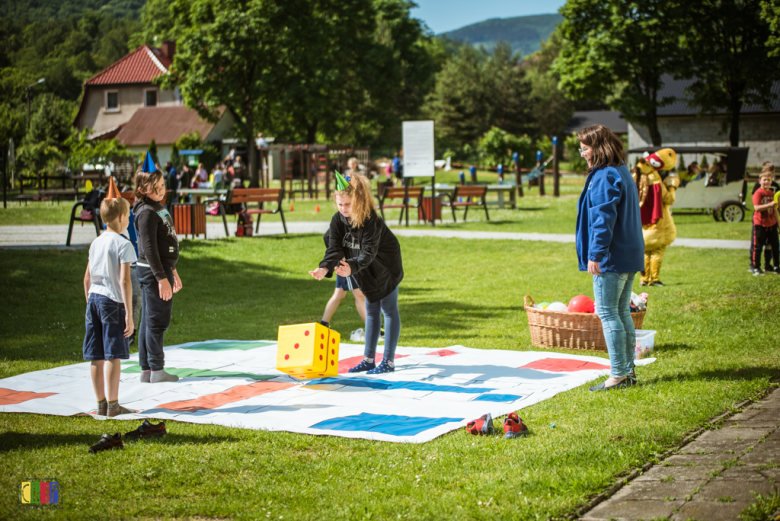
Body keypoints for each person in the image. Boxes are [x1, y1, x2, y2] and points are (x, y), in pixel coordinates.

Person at [309, 172, 403, 375]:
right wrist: (324, 267)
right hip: (363, 266)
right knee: (370, 309)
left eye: (347, 205)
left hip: (385, 265)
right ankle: (369, 359)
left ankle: (388, 361)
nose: (343, 209)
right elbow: (334, 248)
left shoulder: (371, 221)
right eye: (340, 204)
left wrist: (351, 266)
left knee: (388, 308)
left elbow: (369, 252)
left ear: (358, 201)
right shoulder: (338, 220)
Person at [574, 125, 644, 391]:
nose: (582, 154)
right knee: (621, 312)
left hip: (612, 257)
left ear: (598, 147)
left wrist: (596, 254)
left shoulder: (604, 176)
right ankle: (627, 371)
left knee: (607, 312)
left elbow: (603, 219)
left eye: (585, 149)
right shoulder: (621, 171)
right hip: (628, 255)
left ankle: (618, 375)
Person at [82, 197, 137, 417]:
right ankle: (113, 406)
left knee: (96, 355)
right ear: (122, 217)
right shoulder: (124, 244)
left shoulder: (96, 242)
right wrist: (129, 314)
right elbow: (125, 281)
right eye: (129, 215)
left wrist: (90, 304)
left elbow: (87, 279)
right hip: (113, 301)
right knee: (113, 354)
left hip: (93, 299)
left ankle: (101, 403)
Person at [133, 154, 183, 383]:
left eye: (162, 186)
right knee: (157, 320)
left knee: (148, 320)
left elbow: (164, 244)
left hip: (161, 270)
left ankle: (147, 370)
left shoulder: (156, 207)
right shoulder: (145, 213)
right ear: (142, 189)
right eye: (156, 188)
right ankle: (156, 369)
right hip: (154, 273)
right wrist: (162, 278)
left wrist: (172, 270)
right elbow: (150, 249)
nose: (161, 190)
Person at [318, 229, 367, 330]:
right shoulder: (345, 221)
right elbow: (327, 237)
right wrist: (342, 257)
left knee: (339, 295)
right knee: (360, 296)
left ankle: (323, 325)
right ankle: (375, 330)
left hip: (349, 264)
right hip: (348, 266)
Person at [750, 162, 780, 273]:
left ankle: (775, 266)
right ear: (760, 180)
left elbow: (775, 210)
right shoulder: (758, 193)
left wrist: (778, 224)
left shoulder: (772, 193)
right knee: (757, 247)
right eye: (764, 179)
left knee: (775, 246)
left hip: (771, 223)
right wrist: (770, 205)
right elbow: (757, 208)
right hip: (760, 223)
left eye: (768, 180)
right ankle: (756, 267)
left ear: (771, 181)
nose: (766, 181)